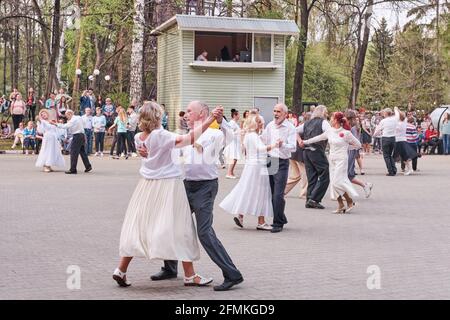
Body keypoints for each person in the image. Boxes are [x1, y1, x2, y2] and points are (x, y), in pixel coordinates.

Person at [112, 101, 221, 288]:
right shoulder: (160, 135)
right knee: (181, 228)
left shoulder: (139, 137)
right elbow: (189, 139)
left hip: (146, 187)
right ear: (156, 117)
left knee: (139, 225)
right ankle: (190, 275)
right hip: (168, 186)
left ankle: (120, 270)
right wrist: (210, 119)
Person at [147, 101, 243, 291]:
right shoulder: (184, 135)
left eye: (190, 111)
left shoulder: (215, 133)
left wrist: (219, 120)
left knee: (204, 232)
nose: (186, 114)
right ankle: (170, 267)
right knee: (172, 224)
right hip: (184, 185)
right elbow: (166, 150)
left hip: (205, 188)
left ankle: (232, 274)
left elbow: (230, 137)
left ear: (202, 114)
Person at [220, 114, 280, 230]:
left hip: (250, 165)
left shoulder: (248, 135)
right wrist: (274, 145)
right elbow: (260, 149)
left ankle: (241, 215)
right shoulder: (253, 136)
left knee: (247, 189)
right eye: (260, 122)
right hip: (258, 166)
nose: (262, 124)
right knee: (262, 192)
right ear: (255, 123)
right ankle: (261, 221)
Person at [300, 112, 361, 213]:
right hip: (332, 159)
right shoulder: (330, 131)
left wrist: (346, 147)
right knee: (333, 183)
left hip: (341, 159)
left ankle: (350, 201)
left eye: (332, 119)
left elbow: (358, 145)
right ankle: (341, 204)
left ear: (336, 120)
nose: (330, 120)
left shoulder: (346, 133)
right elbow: (318, 138)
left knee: (337, 182)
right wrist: (305, 142)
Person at [259, 103, 296, 233]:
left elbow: (293, 147)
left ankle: (278, 223)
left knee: (278, 194)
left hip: (282, 162)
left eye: (279, 111)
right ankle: (281, 217)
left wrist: (283, 144)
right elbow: (263, 140)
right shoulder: (270, 125)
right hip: (270, 160)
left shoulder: (290, 128)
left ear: (285, 114)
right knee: (272, 193)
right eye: (274, 111)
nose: (275, 114)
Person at [300, 105, 331, 209]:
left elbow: (294, 130)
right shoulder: (324, 122)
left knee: (311, 176)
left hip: (306, 152)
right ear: (323, 113)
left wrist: (300, 141)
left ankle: (309, 199)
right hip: (316, 151)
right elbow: (329, 133)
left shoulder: (307, 123)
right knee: (325, 175)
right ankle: (314, 199)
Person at [51, 109, 92, 174]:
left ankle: (73, 169)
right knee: (82, 151)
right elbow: (83, 125)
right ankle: (88, 166)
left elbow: (65, 126)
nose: (67, 118)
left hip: (77, 136)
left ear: (69, 114)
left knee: (73, 152)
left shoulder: (73, 119)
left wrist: (55, 124)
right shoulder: (79, 117)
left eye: (67, 116)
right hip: (81, 135)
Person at [284, 112, 310, 199]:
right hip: (299, 154)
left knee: (295, 175)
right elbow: (295, 133)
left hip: (293, 153)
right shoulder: (306, 127)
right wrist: (300, 141)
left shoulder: (301, 125)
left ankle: (283, 190)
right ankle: (304, 193)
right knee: (305, 174)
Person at [373, 107, 399, 176]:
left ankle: (390, 171)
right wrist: (396, 109)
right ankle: (394, 169)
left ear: (385, 114)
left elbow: (377, 129)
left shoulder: (383, 121)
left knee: (386, 156)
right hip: (393, 138)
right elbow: (397, 114)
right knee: (390, 155)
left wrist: (374, 135)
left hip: (385, 138)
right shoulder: (395, 119)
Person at [394, 110, 417, 176]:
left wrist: (396, 109)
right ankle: (410, 169)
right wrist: (397, 110)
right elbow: (401, 115)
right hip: (403, 140)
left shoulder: (399, 123)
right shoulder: (404, 122)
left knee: (401, 157)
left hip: (399, 141)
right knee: (404, 157)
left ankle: (409, 169)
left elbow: (397, 116)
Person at [223, 109, 242, 179]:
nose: (239, 116)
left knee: (235, 158)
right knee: (233, 158)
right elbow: (229, 133)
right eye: (238, 115)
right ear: (235, 115)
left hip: (236, 142)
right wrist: (237, 133)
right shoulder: (231, 123)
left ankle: (231, 172)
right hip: (233, 143)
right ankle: (228, 173)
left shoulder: (235, 123)